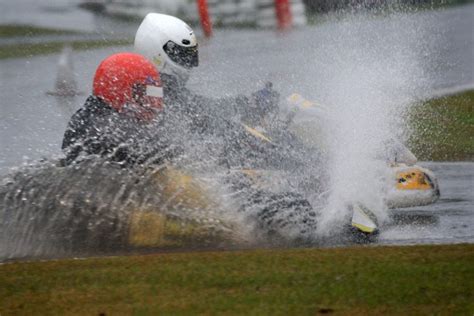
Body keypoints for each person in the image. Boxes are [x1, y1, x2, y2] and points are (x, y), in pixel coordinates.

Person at [134, 13, 280, 132]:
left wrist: (247, 103)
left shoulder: (156, 85)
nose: (189, 63)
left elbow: (197, 106)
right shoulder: (152, 89)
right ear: (157, 52)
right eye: (183, 56)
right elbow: (197, 109)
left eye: (189, 56)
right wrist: (248, 105)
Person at [61, 52, 173, 167]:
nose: (153, 106)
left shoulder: (86, 116)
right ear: (119, 90)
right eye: (144, 95)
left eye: (155, 96)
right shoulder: (110, 128)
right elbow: (162, 152)